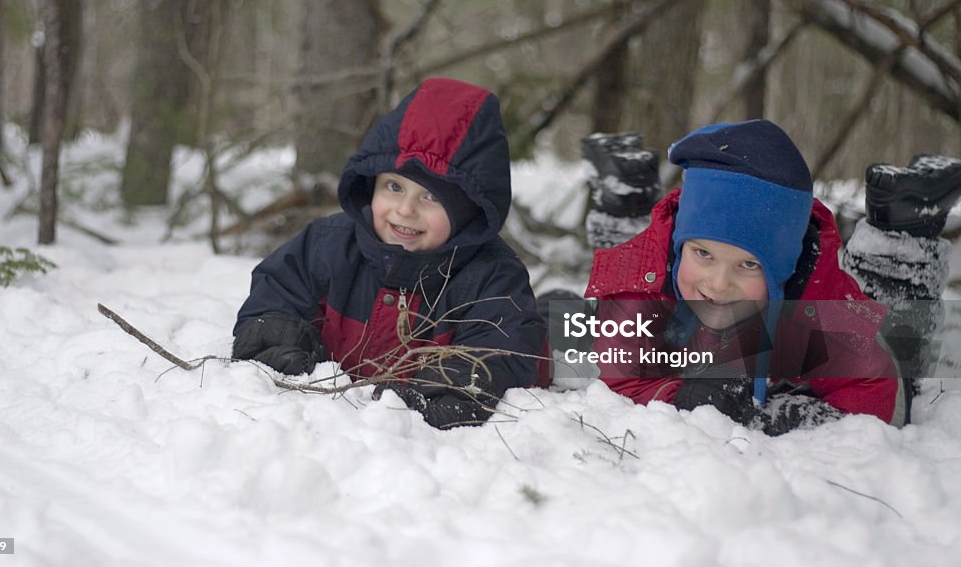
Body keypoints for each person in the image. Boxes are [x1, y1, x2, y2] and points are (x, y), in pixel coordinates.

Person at [579, 120, 960, 435]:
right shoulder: (638, 291)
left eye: (748, 265)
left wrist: (783, 413)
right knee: (629, 264)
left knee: (895, 338)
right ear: (684, 246)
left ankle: (903, 228)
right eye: (703, 254)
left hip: (817, 293)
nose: (717, 283)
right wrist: (685, 397)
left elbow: (879, 391)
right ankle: (624, 192)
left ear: (781, 270)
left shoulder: (815, 307)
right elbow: (620, 379)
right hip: (656, 262)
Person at [232, 78, 546, 429]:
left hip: (541, 340)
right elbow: (275, 298)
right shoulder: (327, 245)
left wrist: (447, 388)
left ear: (468, 211)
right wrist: (280, 342)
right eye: (394, 187)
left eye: (431, 197)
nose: (405, 210)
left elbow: (501, 356)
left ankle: (566, 307)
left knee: (566, 349)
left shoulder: (491, 276)